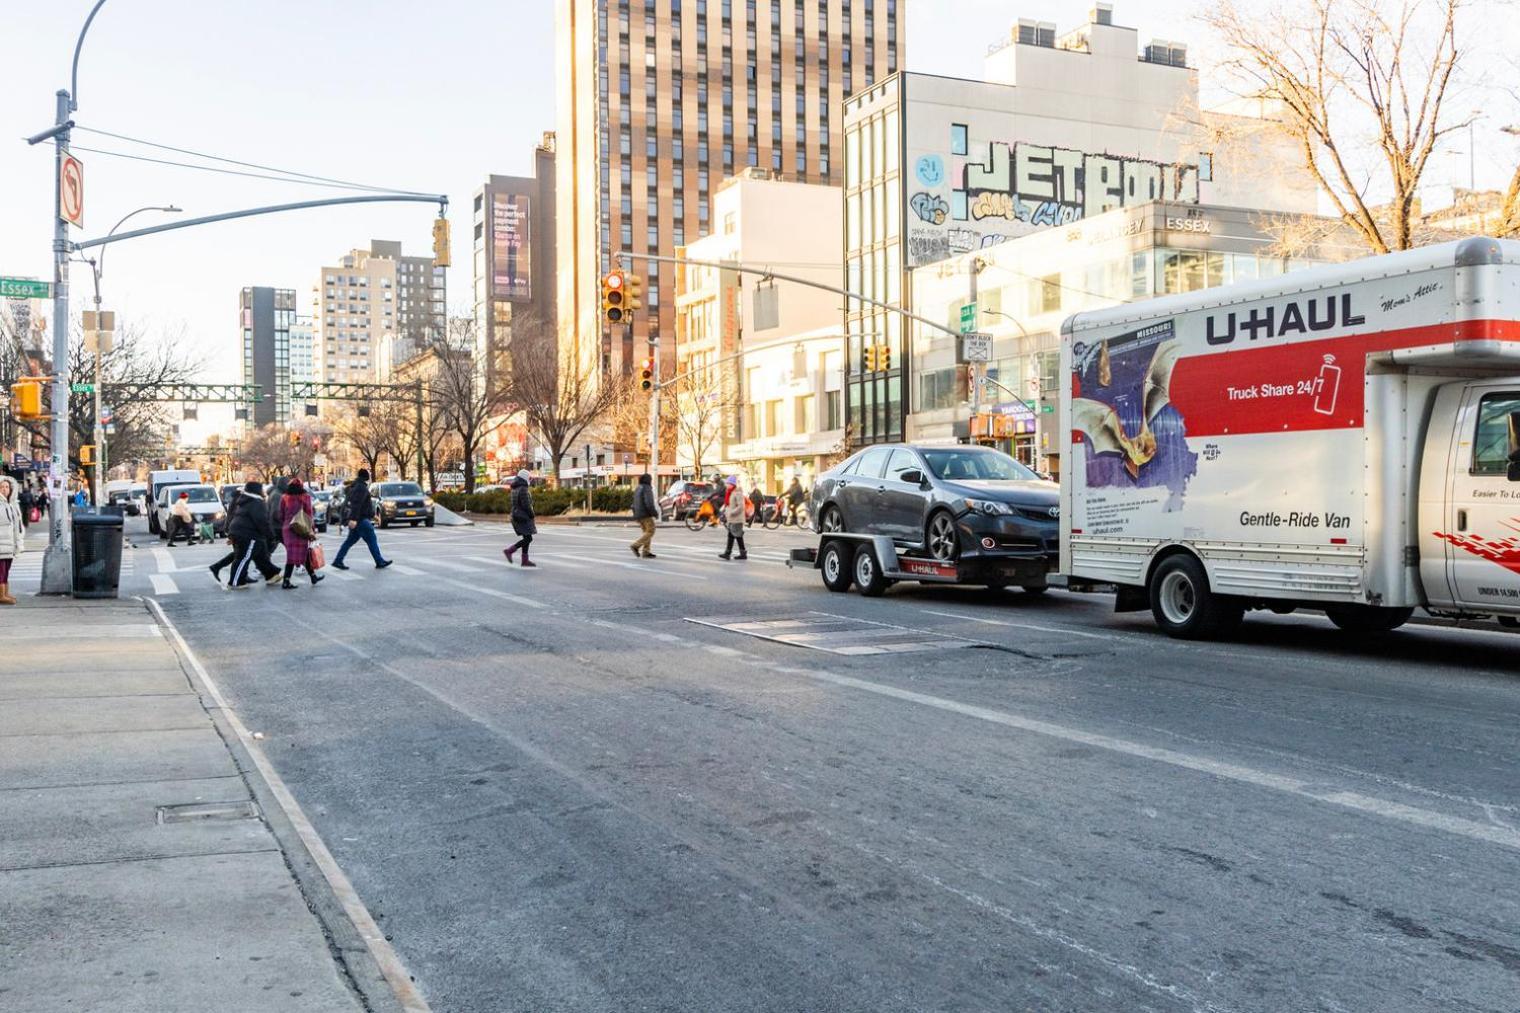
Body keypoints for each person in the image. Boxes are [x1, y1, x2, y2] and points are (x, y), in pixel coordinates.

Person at [331, 468, 390, 571]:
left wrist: (373, 515)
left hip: (357, 519)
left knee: (350, 541)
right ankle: (379, 561)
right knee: (372, 539)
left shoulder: (354, 486)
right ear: (366, 477)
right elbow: (357, 504)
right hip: (360, 519)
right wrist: (353, 519)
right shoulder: (361, 488)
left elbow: (363, 505)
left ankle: (338, 560)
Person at [226, 481, 282, 589]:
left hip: (242, 532)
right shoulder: (257, 502)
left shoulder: (247, 500)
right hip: (247, 534)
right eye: (261, 489)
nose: (263, 491)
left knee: (261, 556)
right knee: (243, 558)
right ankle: (235, 582)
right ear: (256, 490)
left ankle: (271, 575)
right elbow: (261, 521)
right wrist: (270, 535)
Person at [277, 478, 324, 589]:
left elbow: (281, 515)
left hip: (288, 529)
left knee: (296, 554)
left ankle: (312, 576)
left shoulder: (284, 498)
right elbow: (309, 514)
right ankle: (286, 581)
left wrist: (286, 523)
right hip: (301, 528)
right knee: (300, 554)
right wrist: (311, 530)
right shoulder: (305, 497)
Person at [503, 469, 538, 567]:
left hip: (517, 515)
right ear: (525, 477)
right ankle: (509, 551)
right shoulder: (523, 488)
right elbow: (526, 505)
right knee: (528, 539)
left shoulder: (515, 487)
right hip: (522, 516)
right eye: (529, 477)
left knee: (526, 537)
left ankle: (525, 560)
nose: (530, 479)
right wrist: (532, 514)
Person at [0, 477, 24, 605]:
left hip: (9, 544)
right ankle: (1, 595)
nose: (4, 489)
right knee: (1, 571)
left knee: (6, 570)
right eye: (2, 487)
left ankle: (5, 593)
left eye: (7, 487)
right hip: (1, 543)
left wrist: (18, 543)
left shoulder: (12, 504)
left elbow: (17, 526)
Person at [718, 475, 748, 561]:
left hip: (737, 518)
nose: (726, 485)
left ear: (732, 484)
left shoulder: (737, 493)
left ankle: (728, 553)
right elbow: (728, 504)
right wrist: (723, 510)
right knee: (736, 535)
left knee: (734, 535)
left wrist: (732, 512)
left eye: (728, 483)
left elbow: (741, 506)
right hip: (731, 518)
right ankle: (741, 553)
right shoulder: (729, 492)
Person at [630, 473, 658, 559]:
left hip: (638, 514)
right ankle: (636, 545)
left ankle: (646, 552)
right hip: (645, 513)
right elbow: (649, 503)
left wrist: (635, 514)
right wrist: (654, 513)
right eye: (650, 479)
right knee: (651, 531)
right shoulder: (647, 488)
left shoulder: (638, 488)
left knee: (646, 532)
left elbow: (633, 503)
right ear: (648, 480)